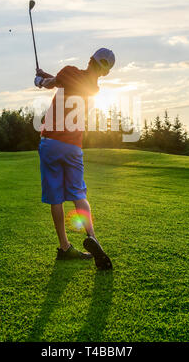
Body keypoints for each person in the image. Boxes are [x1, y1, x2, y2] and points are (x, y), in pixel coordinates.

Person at [34, 48, 115, 270]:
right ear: (105, 73)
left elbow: (54, 82)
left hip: (51, 143)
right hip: (73, 147)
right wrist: (45, 75)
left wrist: (39, 80)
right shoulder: (94, 89)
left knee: (56, 197)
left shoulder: (69, 71)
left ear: (90, 60)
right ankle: (93, 238)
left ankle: (65, 247)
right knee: (79, 194)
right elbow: (62, 81)